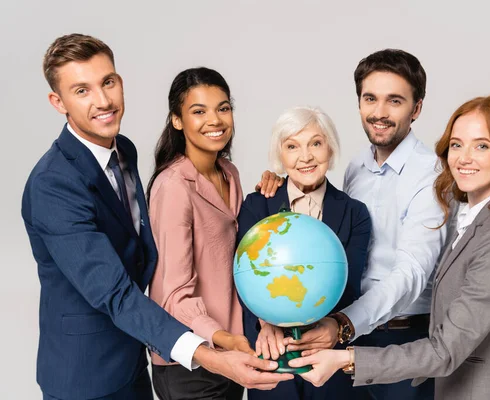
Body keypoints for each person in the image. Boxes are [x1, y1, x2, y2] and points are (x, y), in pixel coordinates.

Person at [21, 34, 290, 400]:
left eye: (108, 82)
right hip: (85, 374)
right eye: (82, 90)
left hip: (136, 357)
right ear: (58, 102)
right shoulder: (53, 185)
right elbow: (114, 292)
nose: (103, 101)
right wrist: (207, 354)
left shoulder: (123, 150)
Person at [290, 95, 490, 400]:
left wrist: (346, 358)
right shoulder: (471, 218)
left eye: (482, 145)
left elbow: (445, 349)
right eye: (457, 144)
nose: (464, 157)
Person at [257, 49, 447, 400]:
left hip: (402, 339)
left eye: (395, 101)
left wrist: (344, 324)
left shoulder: (431, 175)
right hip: (346, 339)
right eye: (370, 98)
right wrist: (280, 181)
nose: (379, 112)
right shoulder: (356, 166)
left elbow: (412, 273)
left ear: (416, 108)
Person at [238, 106, 372, 400]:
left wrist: (332, 330)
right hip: (270, 355)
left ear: (330, 148)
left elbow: (350, 287)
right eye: (292, 146)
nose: (306, 156)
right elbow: (241, 274)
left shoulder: (355, 213)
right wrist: (265, 322)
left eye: (316, 143)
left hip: (329, 356)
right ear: (280, 155)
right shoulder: (256, 206)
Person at [147, 66, 259, 400]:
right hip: (191, 362)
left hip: (231, 354)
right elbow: (173, 295)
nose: (215, 120)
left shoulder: (230, 173)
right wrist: (224, 338)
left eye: (223, 108)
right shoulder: (173, 187)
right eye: (199, 111)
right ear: (177, 121)